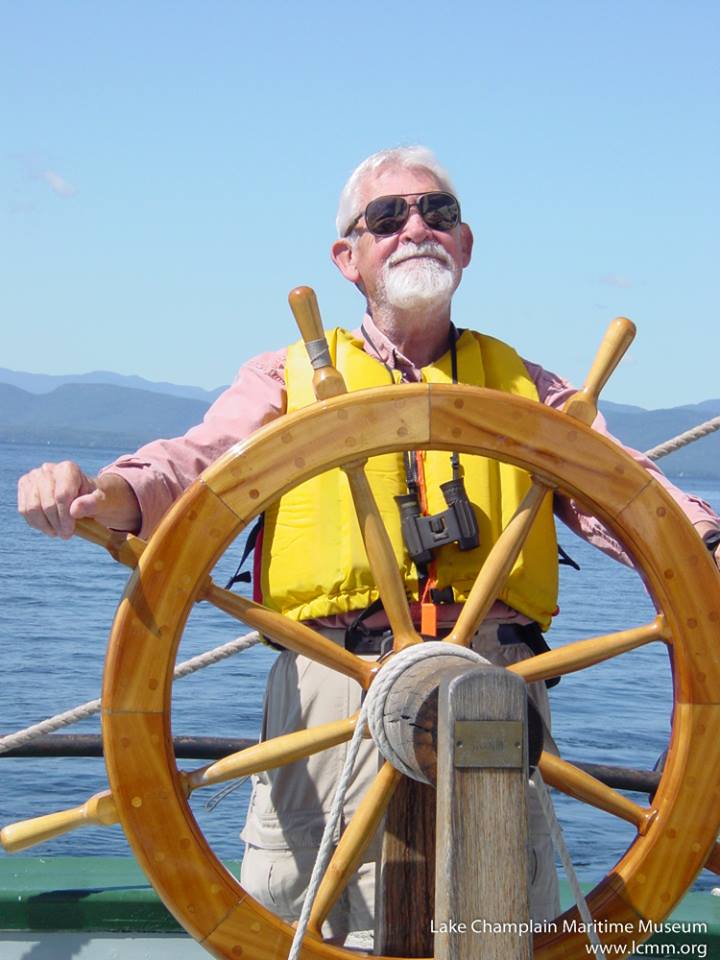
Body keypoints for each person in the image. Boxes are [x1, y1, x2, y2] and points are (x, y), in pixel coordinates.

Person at [18, 147, 720, 939]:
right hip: (329, 693)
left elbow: (624, 492)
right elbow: (195, 469)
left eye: (437, 213)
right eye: (387, 218)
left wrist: (709, 541)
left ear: (465, 244)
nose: (415, 228)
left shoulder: (528, 389)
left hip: (491, 691)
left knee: (494, 931)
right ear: (347, 258)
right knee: (299, 928)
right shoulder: (283, 379)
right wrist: (101, 495)